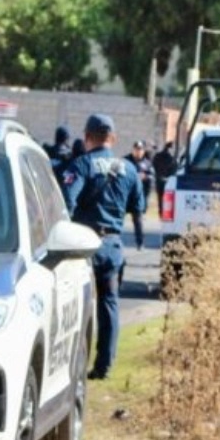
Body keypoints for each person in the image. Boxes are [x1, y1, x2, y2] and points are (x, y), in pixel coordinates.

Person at [62, 114, 144, 380]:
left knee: (73, 305)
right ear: (114, 139)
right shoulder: (130, 170)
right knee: (109, 304)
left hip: (83, 246)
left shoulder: (81, 165)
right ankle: (104, 366)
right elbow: (138, 210)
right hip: (111, 246)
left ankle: (70, 365)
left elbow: (68, 202)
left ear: (87, 137)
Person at [124, 141, 154, 249]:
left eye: (140, 149)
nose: (138, 152)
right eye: (136, 149)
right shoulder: (126, 160)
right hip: (126, 195)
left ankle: (140, 242)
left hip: (138, 197)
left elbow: (151, 178)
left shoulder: (147, 163)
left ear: (143, 151)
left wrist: (145, 176)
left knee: (138, 221)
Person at [152, 141, 176, 210]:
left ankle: (161, 212)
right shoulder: (171, 158)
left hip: (159, 179)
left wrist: (158, 175)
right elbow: (174, 168)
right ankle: (165, 211)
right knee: (169, 198)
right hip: (168, 180)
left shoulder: (158, 155)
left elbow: (154, 165)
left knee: (160, 197)